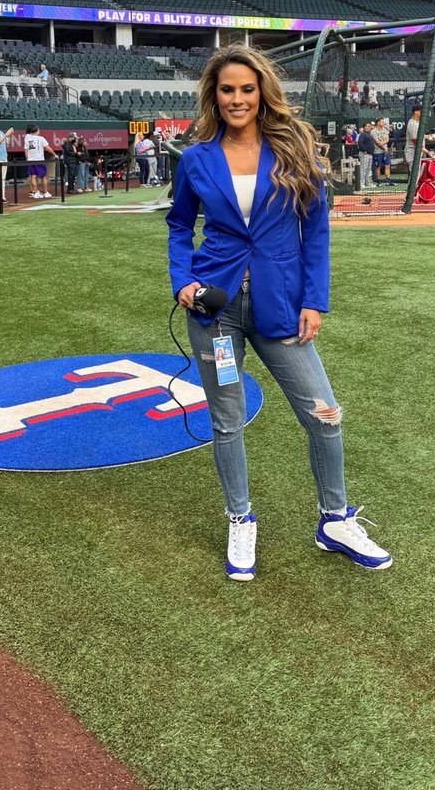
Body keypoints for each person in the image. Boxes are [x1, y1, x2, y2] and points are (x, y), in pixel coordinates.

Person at [166, 44, 392, 581]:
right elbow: (179, 225)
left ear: (262, 91)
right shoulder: (197, 158)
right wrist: (183, 282)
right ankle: (241, 518)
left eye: (247, 88)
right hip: (214, 310)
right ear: (214, 96)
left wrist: (315, 299)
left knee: (324, 414)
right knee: (226, 418)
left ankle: (334, 519)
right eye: (227, 90)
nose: (238, 99)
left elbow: (315, 230)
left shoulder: (295, 150)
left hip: (283, 304)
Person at [24, 124, 56, 198]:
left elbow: (26, 150)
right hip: (39, 159)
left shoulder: (27, 139)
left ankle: (35, 192)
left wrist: (28, 158)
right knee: (43, 176)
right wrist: (54, 154)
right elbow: (47, 148)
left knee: (33, 176)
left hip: (31, 160)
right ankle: (45, 192)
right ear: (36, 131)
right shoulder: (41, 138)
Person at [356, 121, 377, 188]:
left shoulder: (369, 134)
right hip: (364, 154)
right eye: (367, 126)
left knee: (368, 170)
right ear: (364, 127)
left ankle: (367, 183)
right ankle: (361, 183)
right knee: (363, 169)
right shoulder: (363, 134)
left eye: (369, 126)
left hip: (370, 154)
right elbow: (360, 142)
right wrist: (364, 150)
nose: (369, 127)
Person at [372, 116, 391, 185]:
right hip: (377, 152)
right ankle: (378, 182)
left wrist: (382, 144)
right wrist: (383, 147)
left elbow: (387, 139)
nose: (384, 123)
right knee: (378, 167)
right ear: (378, 122)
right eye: (382, 122)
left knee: (387, 166)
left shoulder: (384, 130)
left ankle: (388, 181)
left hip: (385, 151)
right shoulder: (373, 131)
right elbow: (377, 142)